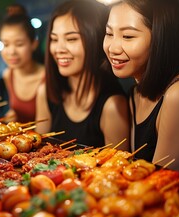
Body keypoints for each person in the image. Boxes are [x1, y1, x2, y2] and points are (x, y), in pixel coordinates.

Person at [35, 0, 130, 150]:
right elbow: (36, 152)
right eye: (54, 39)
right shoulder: (46, 92)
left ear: (97, 39)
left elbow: (116, 169)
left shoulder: (113, 105)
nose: (58, 49)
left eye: (71, 39)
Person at [103, 0, 179, 170]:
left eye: (128, 36)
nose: (113, 48)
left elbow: (160, 186)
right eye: (109, 33)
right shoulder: (135, 92)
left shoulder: (178, 94)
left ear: (161, 38)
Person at [0, 8, 45, 123]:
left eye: (19, 44)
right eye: (6, 44)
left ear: (34, 44)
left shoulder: (48, 78)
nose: (11, 51)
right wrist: (11, 116)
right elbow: (15, 111)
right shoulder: (8, 74)